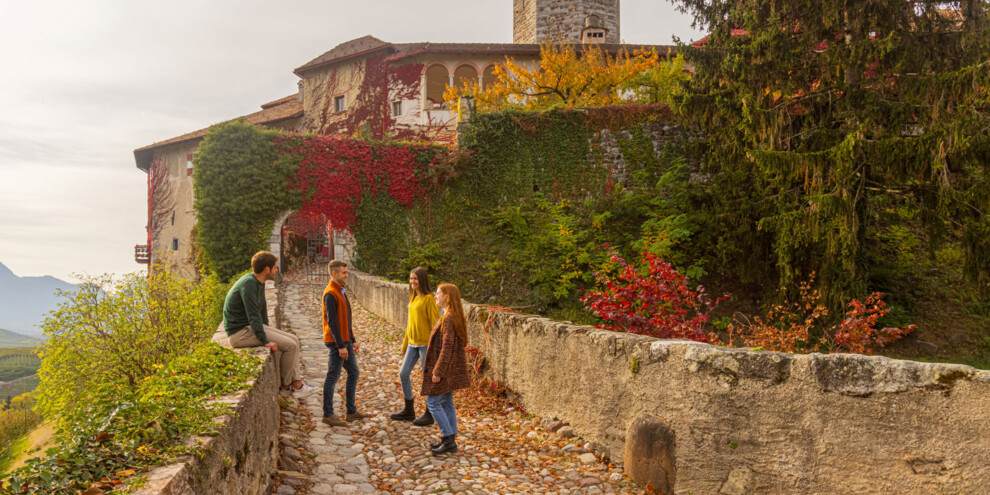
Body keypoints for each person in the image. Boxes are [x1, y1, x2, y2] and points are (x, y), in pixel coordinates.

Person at [224, 251, 317, 398]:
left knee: (294, 340)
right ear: (266, 269)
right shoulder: (248, 284)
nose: (276, 270)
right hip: (239, 334)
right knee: (290, 346)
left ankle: (296, 385)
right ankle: (287, 388)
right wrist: (265, 340)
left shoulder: (257, 282)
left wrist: (268, 329)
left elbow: (262, 311)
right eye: (274, 267)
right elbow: (253, 316)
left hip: (249, 328)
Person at [422, 283, 471, 455]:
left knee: (433, 403)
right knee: (447, 402)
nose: (435, 296)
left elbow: (447, 346)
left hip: (445, 369)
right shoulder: (450, 315)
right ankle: (449, 440)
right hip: (449, 368)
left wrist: (438, 371)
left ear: (447, 297)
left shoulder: (449, 318)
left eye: (438, 293)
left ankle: (448, 438)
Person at [321, 259, 368, 427]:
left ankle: (351, 411)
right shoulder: (330, 294)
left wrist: (352, 340)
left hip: (345, 341)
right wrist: (340, 345)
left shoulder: (341, 291)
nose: (347, 275)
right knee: (332, 377)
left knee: (354, 373)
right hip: (336, 342)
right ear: (334, 273)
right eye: (344, 273)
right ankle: (328, 414)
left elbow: (346, 319)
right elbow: (332, 323)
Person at [390, 267, 440, 423]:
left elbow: (436, 324)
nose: (412, 282)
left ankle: (429, 413)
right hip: (412, 344)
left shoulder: (429, 299)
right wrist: (405, 345)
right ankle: (409, 410)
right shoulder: (413, 298)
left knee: (427, 379)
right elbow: (409, 324)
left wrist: (435, 347)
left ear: (422, 280)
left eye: (415, 279)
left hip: (426, 345)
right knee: (403, 374)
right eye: (411, 279)